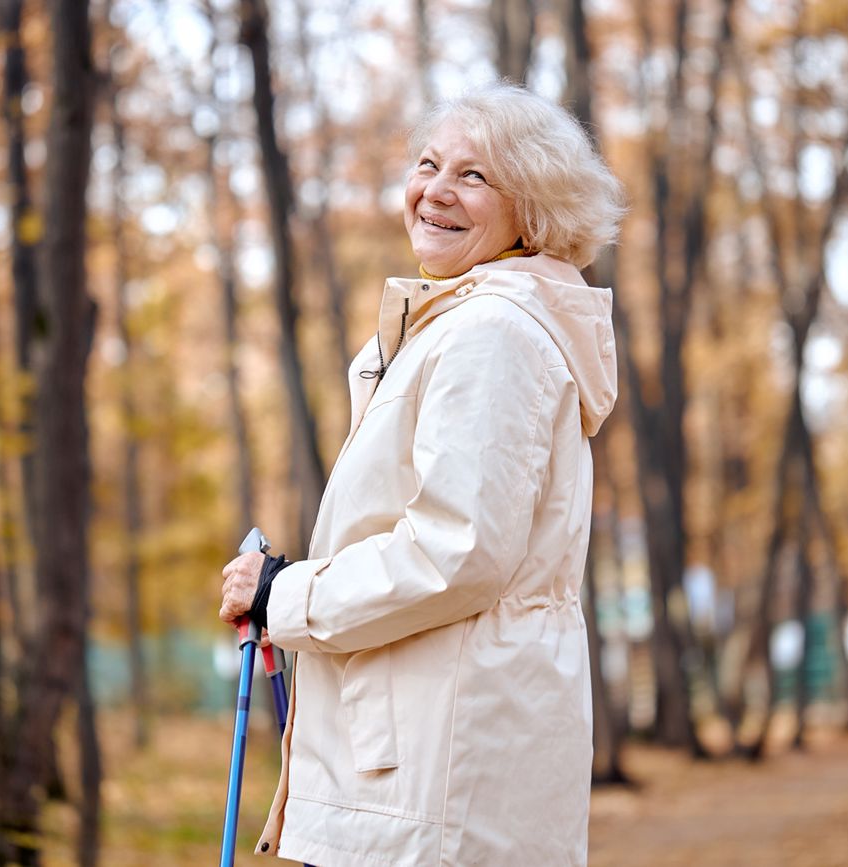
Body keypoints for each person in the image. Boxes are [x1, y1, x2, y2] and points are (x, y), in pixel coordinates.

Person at [219, 81, 626, 866]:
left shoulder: (494, 335)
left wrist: (284, 594)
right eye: (429, 164)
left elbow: (455, 552)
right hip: (423, 785)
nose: (435, 190)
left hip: (431, 796)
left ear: (532, 211)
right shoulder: (467, 326)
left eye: (474, 176)